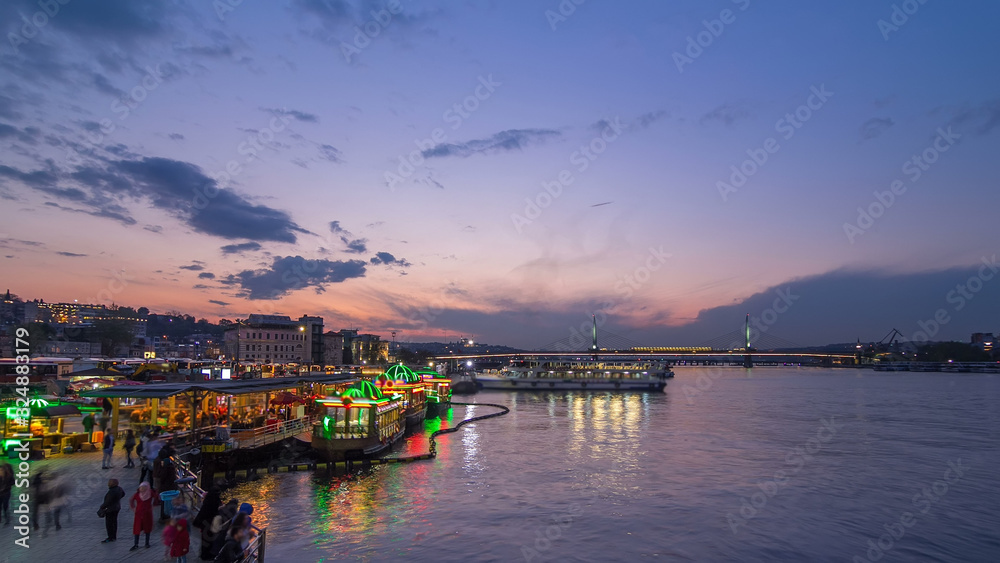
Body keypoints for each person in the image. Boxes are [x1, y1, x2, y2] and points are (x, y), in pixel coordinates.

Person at [193, 488, 221, 560]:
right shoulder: (214, 502)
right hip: (209, 524)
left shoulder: (207, 502)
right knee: (209, 541)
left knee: (205, 541)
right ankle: (207, 555)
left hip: (204, 524)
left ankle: (204, 555)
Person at [129, 482, 156, 551]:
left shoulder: (150, 493)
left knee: (147, 528)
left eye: (144, 487)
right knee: (137, 528)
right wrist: (133, 508)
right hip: (138, 514)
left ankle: (147, 543)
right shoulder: (137, 494)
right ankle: (136, 544)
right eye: (141, 487)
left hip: (147, 514)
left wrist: (153, 506)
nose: (142, 489)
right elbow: (131, 500)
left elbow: (157, 498)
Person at [99, 478, 126, 543]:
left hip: (110, 509)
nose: (108, 483)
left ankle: (110, 537)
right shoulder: (119, 489)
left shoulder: (112, 491)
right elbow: (123, 494)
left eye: (109, 482)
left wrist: (102, 507)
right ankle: (114, 536)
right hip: (116, 507)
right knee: (114, 522)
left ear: (112, 484)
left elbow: (107, 502)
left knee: (109, 523)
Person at [0, 461, 13, 526]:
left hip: (6, 493)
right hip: (0, 493)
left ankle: (7, 519)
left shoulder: (8, 477)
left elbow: (13, 482)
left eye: (1, 470)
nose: (0, 472)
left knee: (5, 506)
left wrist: (6, 487)